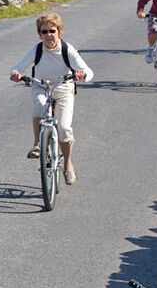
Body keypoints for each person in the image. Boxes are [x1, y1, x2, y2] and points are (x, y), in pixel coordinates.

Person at [8, 14, 94, 185]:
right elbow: (18, 66)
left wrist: (81, 75)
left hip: (63, 89)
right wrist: (16, 73)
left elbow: (88, 72)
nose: (48, 35)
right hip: (41, 87)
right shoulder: (37, 50)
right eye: (44, 31)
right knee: (40, 106)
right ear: (40, 34)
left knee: (64, 128)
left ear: (59, 32)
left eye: (52, 31)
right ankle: (37, 145)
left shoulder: (67, 50)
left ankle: (67, 164)